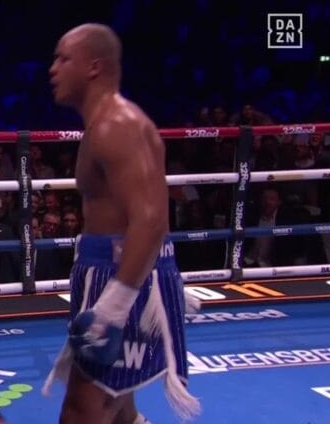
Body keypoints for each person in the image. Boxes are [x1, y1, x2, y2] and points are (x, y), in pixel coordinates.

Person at [42, 24, 200, 423]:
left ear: (94, 67)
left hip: (120, 275)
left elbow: (150, 219)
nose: (52, 68)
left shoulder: (118, 125)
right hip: (111, 269)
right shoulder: (102, 124)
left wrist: (115, 306)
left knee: (84, 408)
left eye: (63, 58)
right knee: (118, 401)